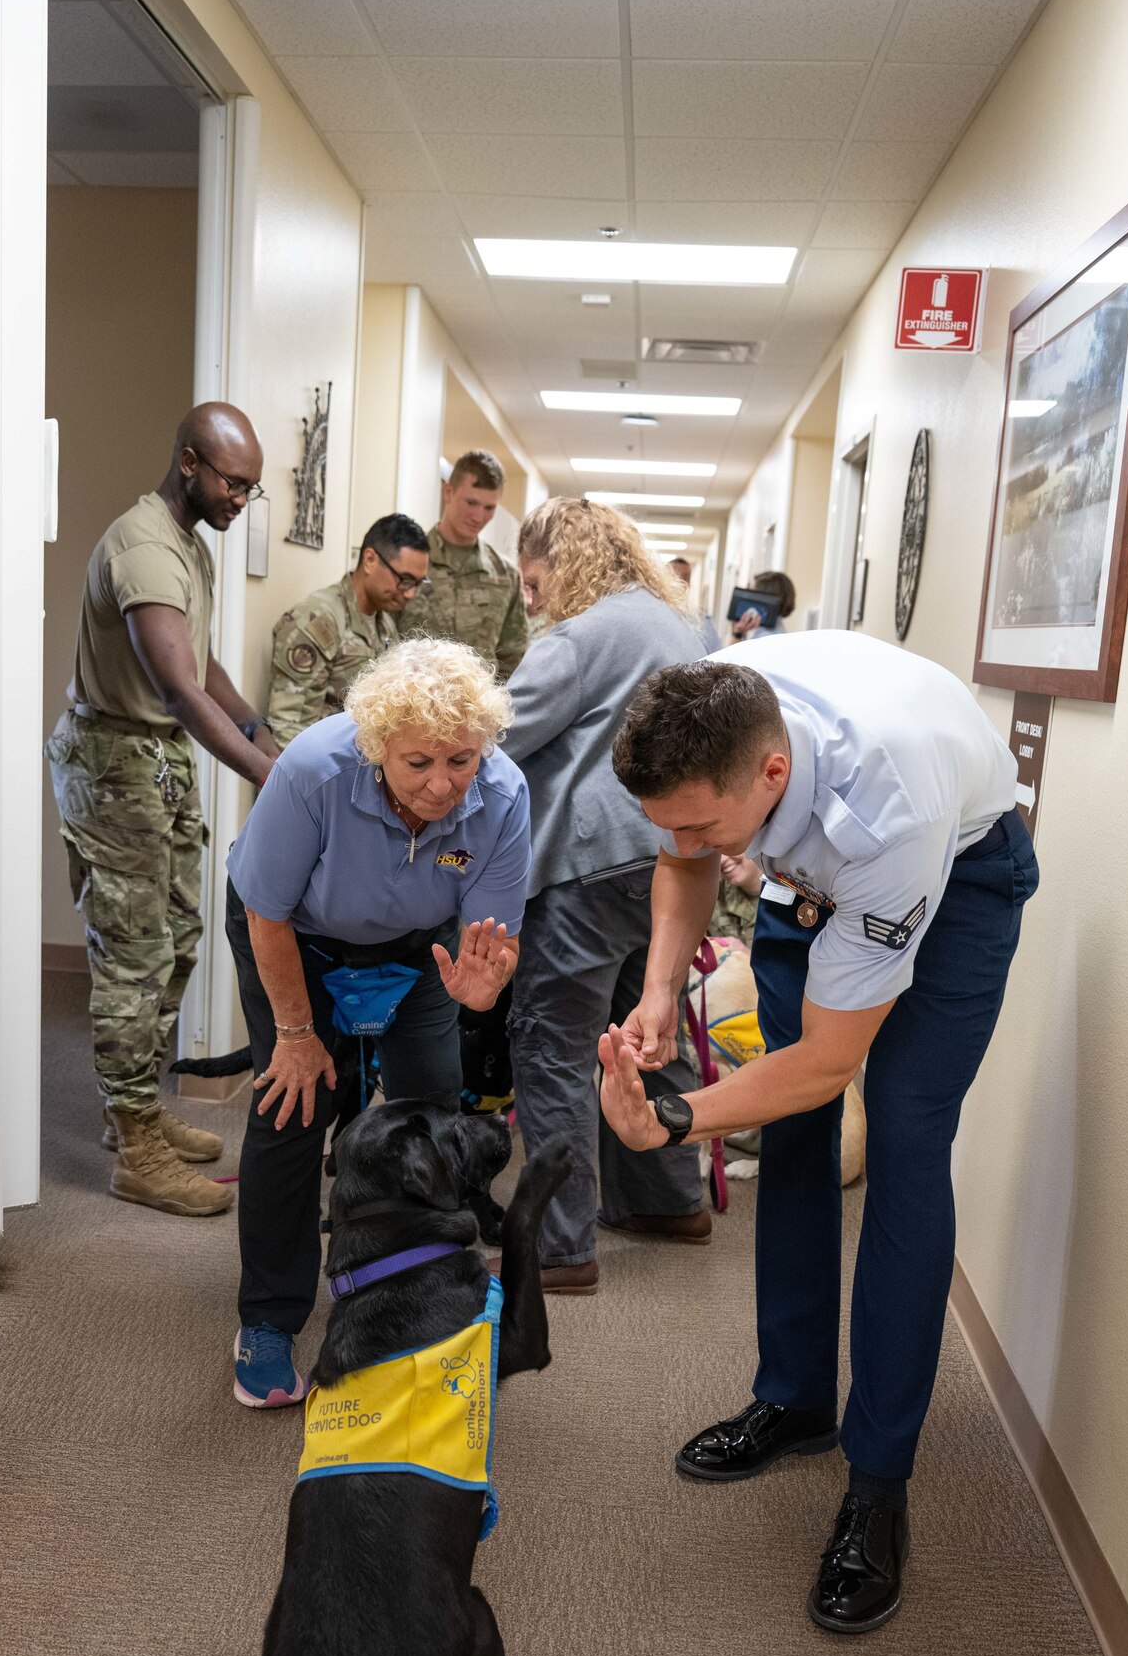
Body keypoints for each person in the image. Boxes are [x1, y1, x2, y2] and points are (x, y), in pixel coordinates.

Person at [600, 636, 1039, 1633]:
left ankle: (877, 1485)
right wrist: (661, 992)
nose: (687, 835)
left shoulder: (886, 805)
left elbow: (827, 1066)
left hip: (956, 872)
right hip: (806, 869)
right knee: (791, 1136)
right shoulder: (701, 725)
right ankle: (795, 1398)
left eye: (705, 820)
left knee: (903, 1140)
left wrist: (672, 1117)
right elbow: (686, 854)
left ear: (771, 771)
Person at [223, 640, 530, 1408]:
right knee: (293, 1106)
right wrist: (296, 1037)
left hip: (419, 950)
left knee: (432, 1107)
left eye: (460, 760)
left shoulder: (503, 793)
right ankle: (268, 1317)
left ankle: (423, 1287)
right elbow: (267, 912)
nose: (441, 784)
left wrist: (481, 995)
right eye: (417, 762)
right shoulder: (313, 770)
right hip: (296, 938)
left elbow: (490, 943)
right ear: (377, 747)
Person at [45, 402, 280, 1218]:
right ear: (188, 462)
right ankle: (135, 1146)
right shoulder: (144, 546)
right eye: (232, 484)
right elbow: (177, 691)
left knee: (177, 939)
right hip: (116, 767)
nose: (240, 502)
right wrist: (264, 774)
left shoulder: (186, 542)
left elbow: (199, 657)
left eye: (251, 489)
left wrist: (258, 728)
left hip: (157, 767)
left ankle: (134, 1110)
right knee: (133, 955)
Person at [502, 496, 710, 1295]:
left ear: (566, 561)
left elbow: (498, 732)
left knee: (553, 1045)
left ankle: (558, 1246)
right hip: (662, 861)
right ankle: (666, 1201)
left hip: (586, 867)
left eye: (532, 579)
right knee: (643, 1033)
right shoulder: (675, 624)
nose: (530, 599)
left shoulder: (581, 636)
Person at [266, 513, 431, 745]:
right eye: (404, 579)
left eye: (418, 583)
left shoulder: (384, 623)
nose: (410, 593)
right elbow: (290, 729)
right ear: (370, 560)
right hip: (322, 768)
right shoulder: (318, 620)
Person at [399, 450, 529, 680]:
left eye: (489, 508)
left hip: (477, 708)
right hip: (410, 702)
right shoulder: (406, 561)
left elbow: (514, 657)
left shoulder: (505, 575)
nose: (478, 517)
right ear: (448, 492)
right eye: (471, 503)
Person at [669, 555, 722, 654]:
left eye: (685, 576)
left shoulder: (701, 618)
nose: (681, 581)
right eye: (675, 576)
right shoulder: (657, 612)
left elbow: (715, 652)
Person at [732, 570, 795, 642]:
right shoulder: (771, 631)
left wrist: (736, 634)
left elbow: (731, 653)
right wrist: (739, 633)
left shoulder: (766, 638)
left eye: (753, 594)